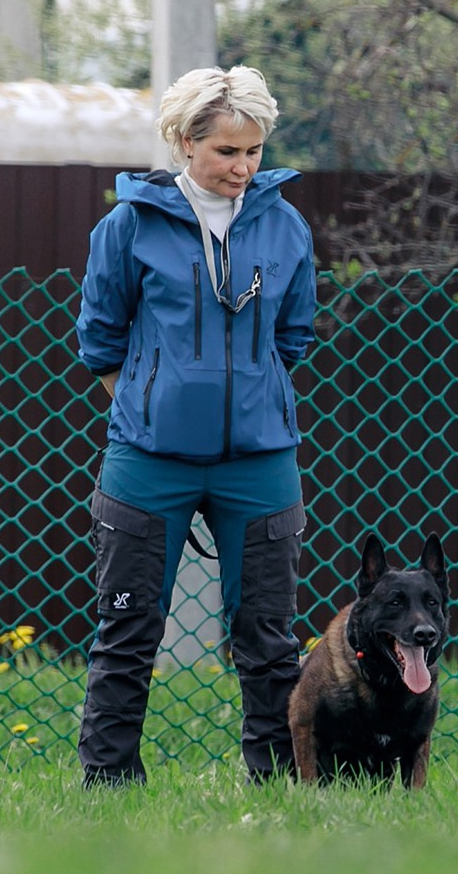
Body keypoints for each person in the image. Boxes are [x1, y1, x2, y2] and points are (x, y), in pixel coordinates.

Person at [72, 66, 319, 784]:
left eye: (254, 151)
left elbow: (293, 335)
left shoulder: (286, 226)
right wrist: (153, 404)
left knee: (268, 635)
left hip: (260, 461)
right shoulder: (129, 225)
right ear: (185, 141)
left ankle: (277, 782)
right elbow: (100, 339)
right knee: (127, 630)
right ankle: (109, 784)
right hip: (148, 461)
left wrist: (247, 402)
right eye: (226, 152)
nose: (242, 168)